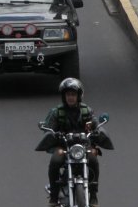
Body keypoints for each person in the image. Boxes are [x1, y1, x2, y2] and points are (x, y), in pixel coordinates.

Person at [38, 78, 99, 206]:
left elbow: (96, 124)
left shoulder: (86, 111)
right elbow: (48, 129)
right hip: (64, 146)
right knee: (55, 160)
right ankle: (54, 197)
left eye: (73, 94)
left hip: (82, 146)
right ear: (64, 96)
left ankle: (93, 195)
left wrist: (95, 127)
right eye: (68, 95)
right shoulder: (57, 112)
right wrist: (54, 133)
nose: (70, 97)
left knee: (93, 158)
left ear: (79, 96)